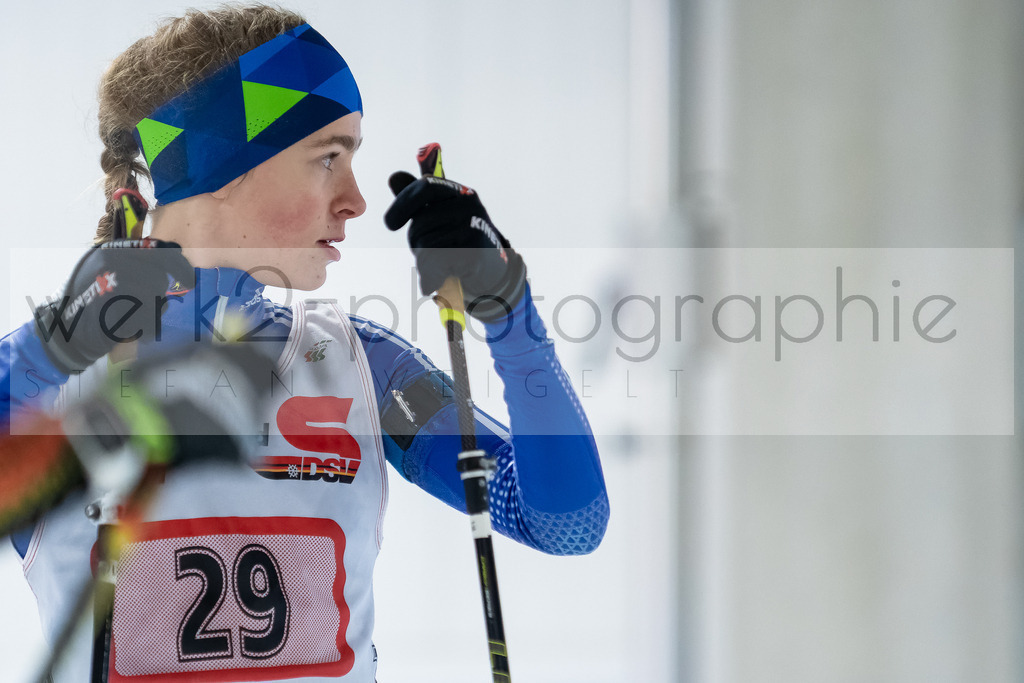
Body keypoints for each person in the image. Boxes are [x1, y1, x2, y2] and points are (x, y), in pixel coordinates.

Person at [0, 4, 608, 682]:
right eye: (327, 158)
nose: (355, 200)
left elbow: (564, 522)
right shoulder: (49, 371)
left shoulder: (360, 365)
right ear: (224, 167)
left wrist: (508, 311)